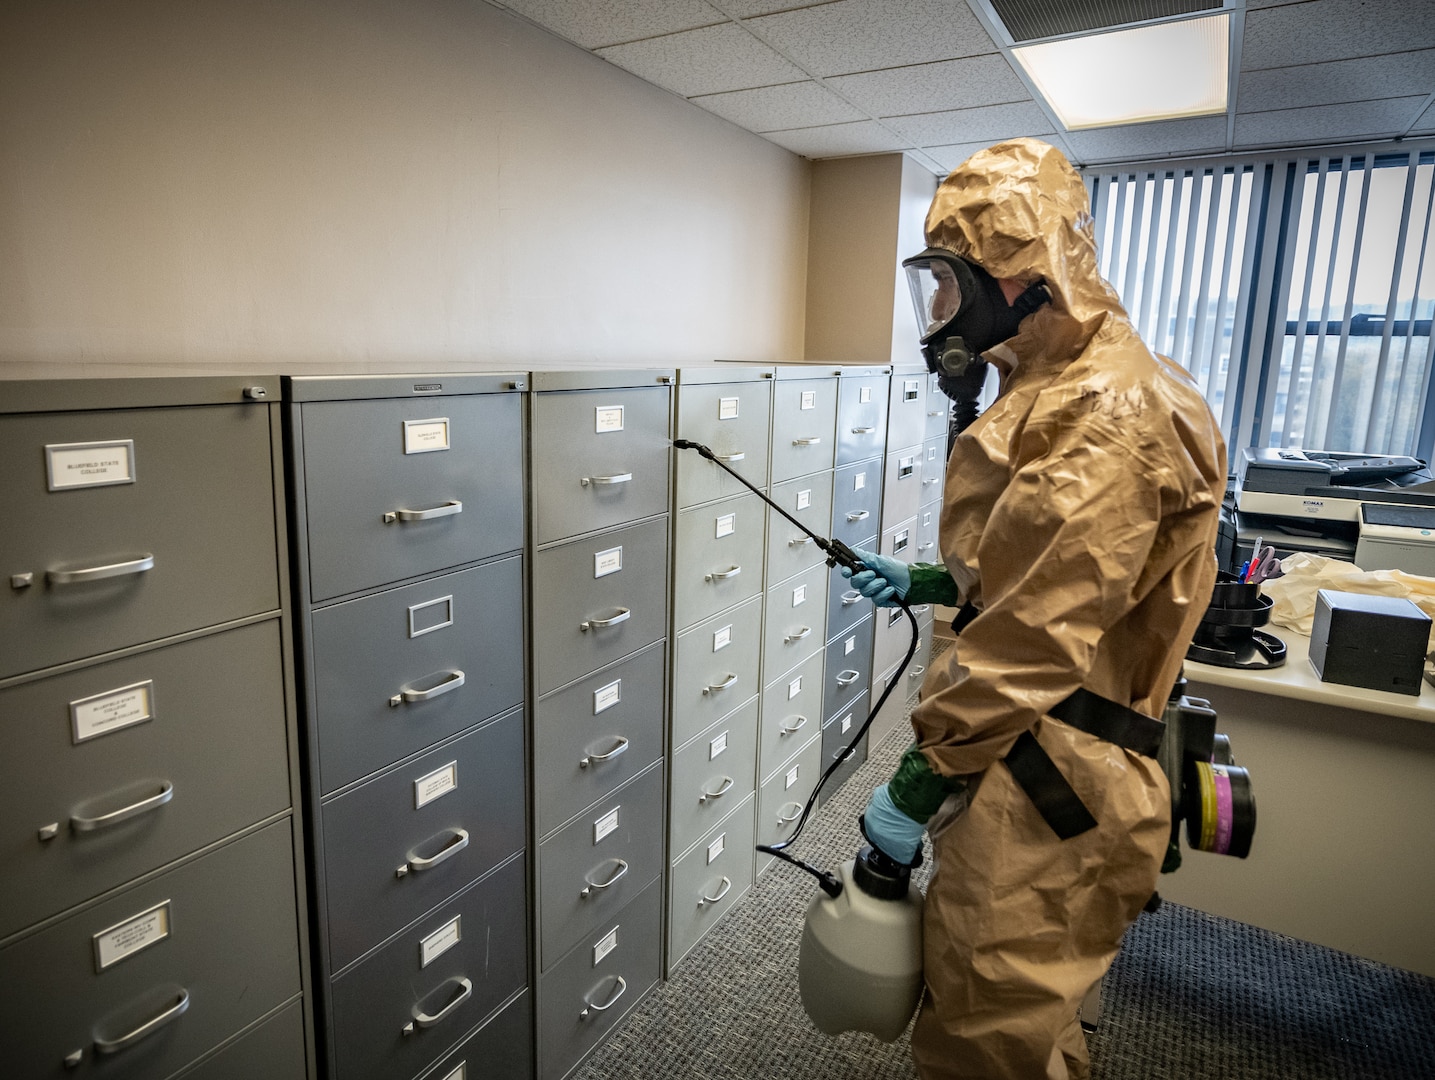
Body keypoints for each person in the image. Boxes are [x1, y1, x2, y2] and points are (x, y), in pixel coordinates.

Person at [844, 138, 1227, 1080]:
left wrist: (919, 777)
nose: (937, 310)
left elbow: (1033, 637)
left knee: (989, 1033)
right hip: (1033, 755)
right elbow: (1049, 572)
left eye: (949, 280)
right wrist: (934, 582)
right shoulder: (1061, 383)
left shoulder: (1105, 412)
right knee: (1016, 1011)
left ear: (1025, 277)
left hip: (1047, 771)